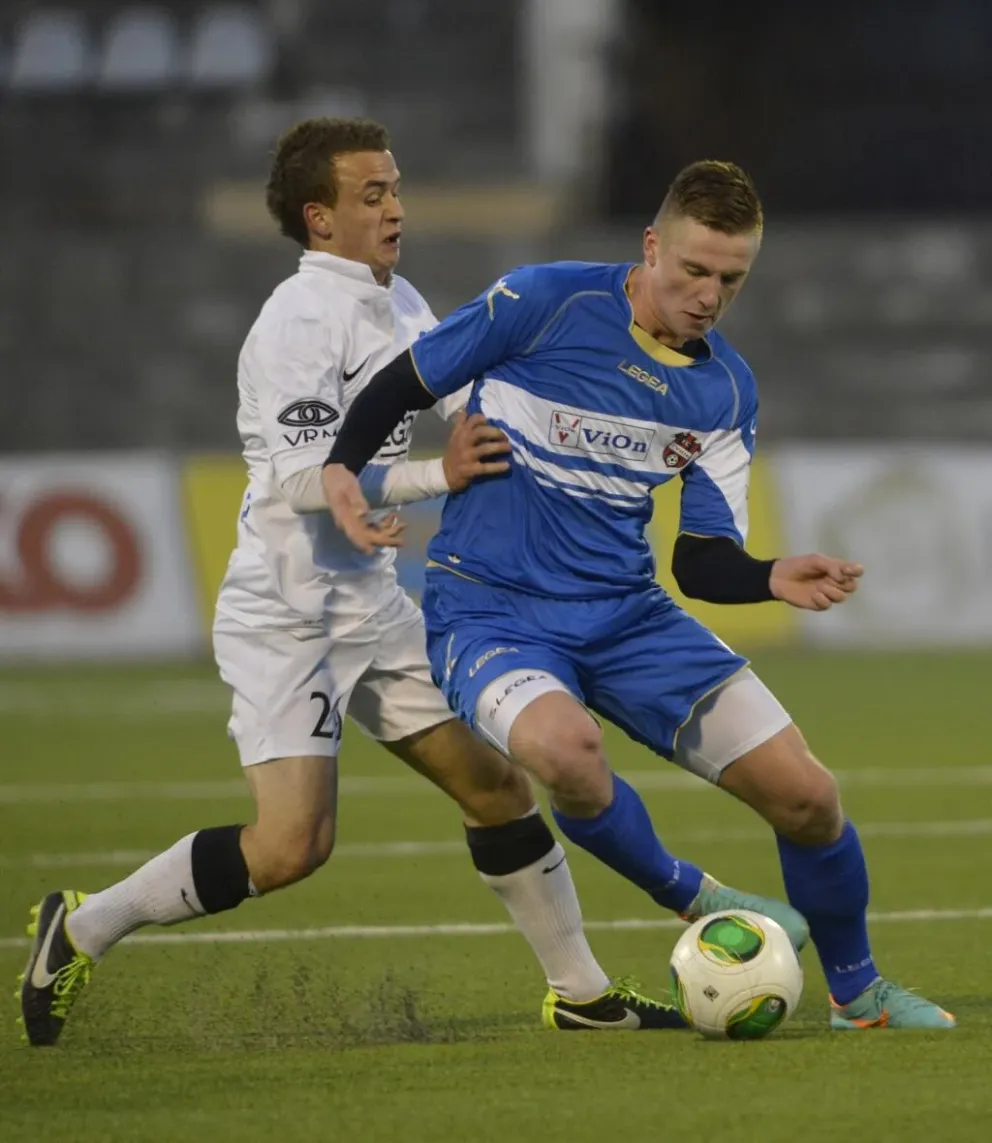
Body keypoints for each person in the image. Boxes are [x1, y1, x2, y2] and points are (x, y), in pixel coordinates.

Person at [19, 118, 689, 1047]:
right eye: (371, 195)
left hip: (373, 603)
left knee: (496, 784)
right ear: (318, 218)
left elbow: (465, 403)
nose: (395, 208)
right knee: (293, 847)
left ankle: (580, 991)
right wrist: (432, 477)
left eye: (396, 188)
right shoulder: (295, 322)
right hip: (285, 615)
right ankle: (84, 923)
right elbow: (299, 479)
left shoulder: (401, 299)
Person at [321, 159, 955, 1030]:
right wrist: (340, 470)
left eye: (729, 279)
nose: (708, 295)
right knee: (566, 751)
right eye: (693, 270)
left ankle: (860, 995)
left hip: (627, 615)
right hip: (490, 609)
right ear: (651, 245)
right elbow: (406, 380)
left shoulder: (724, 389)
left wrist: (768, 574)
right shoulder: (542, 302)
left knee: (808, 795)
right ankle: (694, 893)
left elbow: (699, 559)